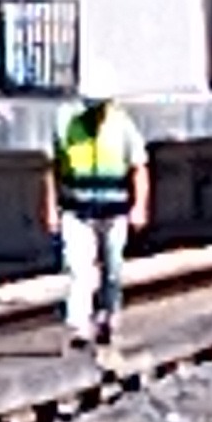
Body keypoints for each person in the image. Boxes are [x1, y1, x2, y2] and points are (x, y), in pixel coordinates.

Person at [47, 78, 152, 352]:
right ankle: (80, 326)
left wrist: (139, 207)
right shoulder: (68, 125)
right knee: (78, 269)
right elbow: (53, 167)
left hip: (114, 211)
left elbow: (139, 167)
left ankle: (108, 316)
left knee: (113, 270)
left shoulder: (122, 125)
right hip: (77, 209)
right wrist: (51, 208)